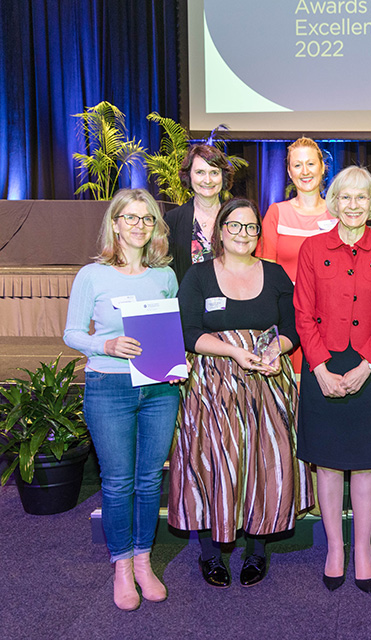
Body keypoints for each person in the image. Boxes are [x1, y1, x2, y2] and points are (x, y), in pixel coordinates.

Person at [168, 198, 313, 589]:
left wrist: (273, 350)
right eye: (235, 226)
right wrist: (234, 351)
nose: (243, 234)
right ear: (220, 230)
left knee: (263, 462)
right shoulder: (198, 277)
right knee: (213, 462)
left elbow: (292, 329)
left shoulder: (277, 274)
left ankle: (257, 550)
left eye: (251, 227)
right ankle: (210, 553)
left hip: (265, 381)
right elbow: (188, 332)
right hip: (212, 385)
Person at [64, 189, 181, 611]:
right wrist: (106, 344)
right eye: (130, 218)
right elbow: (72, 333)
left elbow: (170, 333)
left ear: (155, 227)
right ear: (114, 223)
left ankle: (145, 559)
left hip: (159, 390)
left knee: (150, 480)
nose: (138, 225)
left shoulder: (164, 276)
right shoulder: (91, 276)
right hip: (108, 387)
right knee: (117, 482)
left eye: (147, 219)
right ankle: (122, 565)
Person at [294, 166, 371, 593]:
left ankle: (363, 548)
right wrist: (319, 368)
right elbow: (302, 313)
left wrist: (365, 367)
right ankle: (334, 547)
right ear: (334, 202)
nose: (353, 205)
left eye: (362, 198)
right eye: (345, 197)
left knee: (365, 462)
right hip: (322, 362)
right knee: (328, 461)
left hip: (369, 366)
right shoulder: (312, 248)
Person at [256, 137, 336, 283]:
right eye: (298, 165)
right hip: (287, 302)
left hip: (330, 302)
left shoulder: (338, 214)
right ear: (289, 171)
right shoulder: (276, 213)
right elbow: (265, 272)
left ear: (322, 167)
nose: (305, 171)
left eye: (311, 164)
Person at [165, 144, 236, 283]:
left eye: (214, 172)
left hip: (233, 300)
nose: (208, 180)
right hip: (190, 301)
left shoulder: (236, 217)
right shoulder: (172, 220)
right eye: (200, 172)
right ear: (189, 176)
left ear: (223, 176)